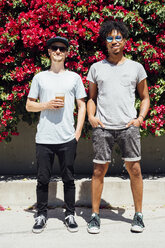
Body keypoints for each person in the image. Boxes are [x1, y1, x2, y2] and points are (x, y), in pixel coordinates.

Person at [86, 20, 150, 234]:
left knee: (135, 170)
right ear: (105, 42)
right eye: (110, 38)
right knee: (98, 170)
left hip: (128, 127)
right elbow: (91, 98)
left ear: (124, 40)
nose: (114, 41)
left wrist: (139, 118)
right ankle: (94, 216)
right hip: (103, 127)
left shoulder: (136, 68)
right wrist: (91, 117)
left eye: (118, 37)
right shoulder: (96, 68)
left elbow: (145, 97)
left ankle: (138, 215)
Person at [26, 36, 86, 233]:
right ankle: (41, 215)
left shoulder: (74, 78)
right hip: (44, 138)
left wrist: (77, 133)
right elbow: (29, 105)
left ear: (67, 53)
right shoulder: (39, 77)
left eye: (62, 48)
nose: (58, 51)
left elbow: (82, 105)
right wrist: (46, 105)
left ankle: (70, 214)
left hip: (67, 138)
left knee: (68, 179)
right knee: (42, 179)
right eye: (54, 48)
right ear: (49, 52)